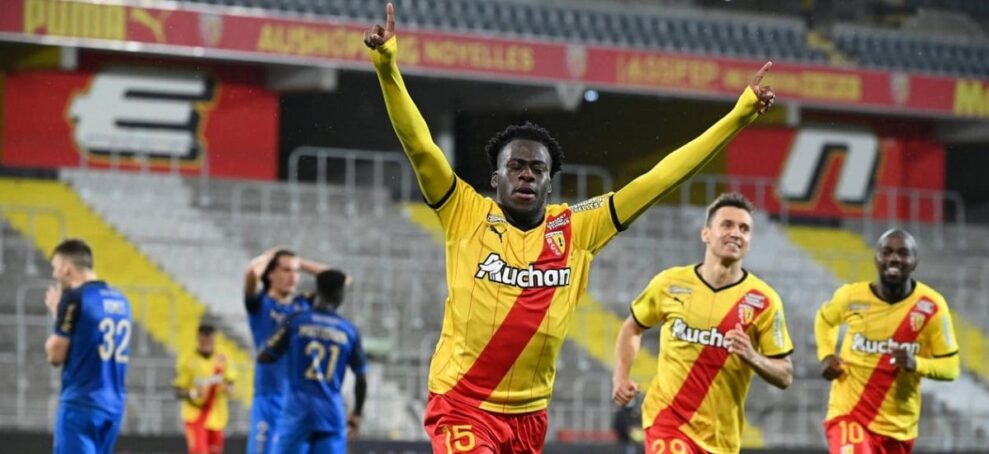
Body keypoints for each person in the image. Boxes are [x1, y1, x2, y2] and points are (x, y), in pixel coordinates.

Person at [363, 4, 776, 452]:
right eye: (515, 166)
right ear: (496, 179)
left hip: (529, 415)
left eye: (537, 168)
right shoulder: (464, 212)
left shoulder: (578, 228)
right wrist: (387, 67)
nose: (526, 174)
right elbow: (421, 147)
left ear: (549, 181)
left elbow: (659, 179)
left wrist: (738, 116)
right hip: (462, 405)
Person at [612, 193, 794, 454]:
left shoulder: (764, 300)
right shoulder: (670, 283)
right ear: (706, 234)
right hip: (668, 421)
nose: (736, 233)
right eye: (727, 225)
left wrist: (752, 356)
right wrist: (620, 377)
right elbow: (633, 327)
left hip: (722, 439)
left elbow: (785, 375)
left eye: (744, 229)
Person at [815, 229, 959, 454]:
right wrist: (826, 354)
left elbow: (951, 368)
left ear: (915, 262)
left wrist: (916, 364)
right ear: (877, 259)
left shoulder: (932, 306)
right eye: (887, 252)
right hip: (849, 415)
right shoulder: (851, 297)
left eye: (903, 253)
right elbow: (825, 320)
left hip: (899, 428)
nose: (894, 258)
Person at [258, 269, 368, 454]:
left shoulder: (295, 321)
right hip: (331, 413)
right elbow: (361, 377)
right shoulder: (349, 330)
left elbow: (265, 356)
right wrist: (357, 413)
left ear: (317, 291)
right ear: (340, 295)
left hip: (297, 410)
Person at [44, 239, 132, 454]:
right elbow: (87, 338)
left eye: (55, 268)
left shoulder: (75, 298)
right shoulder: (122, 301)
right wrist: (60, 317)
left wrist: (57, 319)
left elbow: (56, 355)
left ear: (67, 269)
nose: (54, 275)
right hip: (113, 405)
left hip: (82, 403)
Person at [243, 248, 326, 454]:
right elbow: (251, 273)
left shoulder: (303, 304)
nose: (293, 276)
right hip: (268, 397)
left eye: (296, 271)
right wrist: (271, 255)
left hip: (298, 401)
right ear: (271, 274)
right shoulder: (260, 304)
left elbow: (339, 280)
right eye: (286, 270)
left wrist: (301, 263)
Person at [174, 323, 238, 454]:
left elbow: (230, 383)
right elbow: (178, 391)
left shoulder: (223, 357)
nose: (206, 344)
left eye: (210, 340)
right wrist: (194, 393)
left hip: (217, 417)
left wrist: (228, 388)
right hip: (195, 416)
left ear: (214, 339)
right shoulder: (187, 359)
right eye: (203, 340)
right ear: (198, 339)